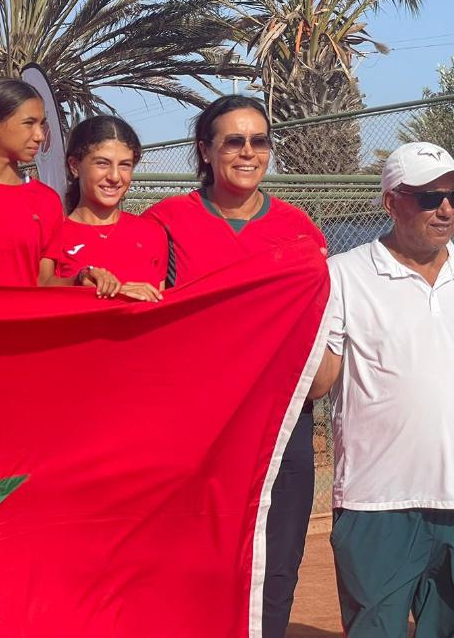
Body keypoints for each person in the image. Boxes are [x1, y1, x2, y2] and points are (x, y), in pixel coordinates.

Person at [143, 94, 326, 638]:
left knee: (276, 565)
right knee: (190, 564)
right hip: (195, 431)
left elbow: (320, 325)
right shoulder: (166, 221)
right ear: (205, 150)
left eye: (259, 141)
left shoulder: (299, 230)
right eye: (234, 141)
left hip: (281, 427)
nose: (249, 153)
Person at [310, 142, 454, 638]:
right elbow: (318, 382)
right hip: (377, 505)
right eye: (428, 197)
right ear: (391, 202)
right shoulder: (342, 276)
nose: (446, 208)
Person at [0, 77, 68, 287]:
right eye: (29, 123)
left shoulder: (47, 201)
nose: (40, 136)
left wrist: (82, 281)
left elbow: (45, 283)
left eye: (41, 124)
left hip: (23, 319)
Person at [56, 116, 166, 302]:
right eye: (102, 163)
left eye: (125, 165)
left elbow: (160, 305)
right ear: (74, 166)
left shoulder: (152, 233)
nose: (115, 177)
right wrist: (117, 293)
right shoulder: (53, 234)